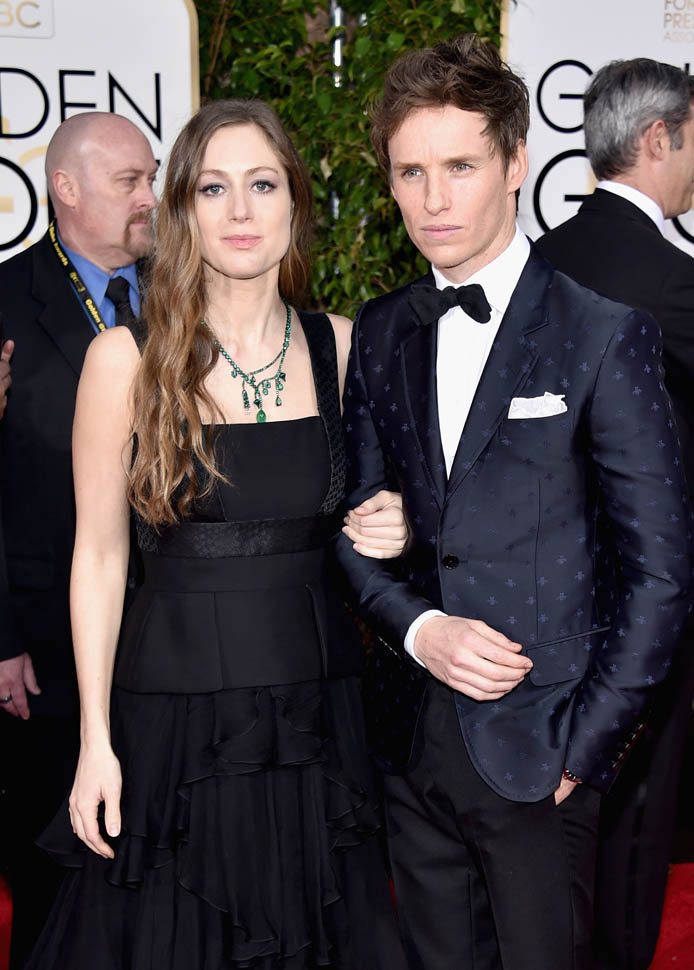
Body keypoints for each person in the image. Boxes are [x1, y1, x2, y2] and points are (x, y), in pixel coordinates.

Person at [334, 34, 693, 970]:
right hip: (412, 747)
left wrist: (586, 749)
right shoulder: (383, 329)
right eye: (411, 172)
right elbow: (355, 528)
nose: (434, 199)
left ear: (516, 164)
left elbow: (661, 572)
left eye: (460, 166)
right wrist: (420, 630)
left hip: (545, 754)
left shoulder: (602, 333)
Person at [24, 98, 408, 970]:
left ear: (295, 203)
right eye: (213, 187)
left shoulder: (344, 348)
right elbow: (99, 557)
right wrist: (94, 741)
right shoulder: (125, 359)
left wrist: (397, 519)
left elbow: (385, 510)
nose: (240, 211)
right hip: (173, 722)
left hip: (318, 713)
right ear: (182, 210)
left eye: (263, 185)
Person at [536, 58, 694, 970]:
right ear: (658, 138)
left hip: (542, 584)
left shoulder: (540, 259)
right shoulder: (665, 275)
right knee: (635, 810)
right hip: (647, 588)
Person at [0, 110, 158, 968]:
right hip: (43, 649)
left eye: (151, 178)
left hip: (171, 639)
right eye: (129, 181)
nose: (149, 198)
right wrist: (0, 639)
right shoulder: (5, 299)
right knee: (53, 872)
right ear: (66, 188)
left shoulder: (191, 293)